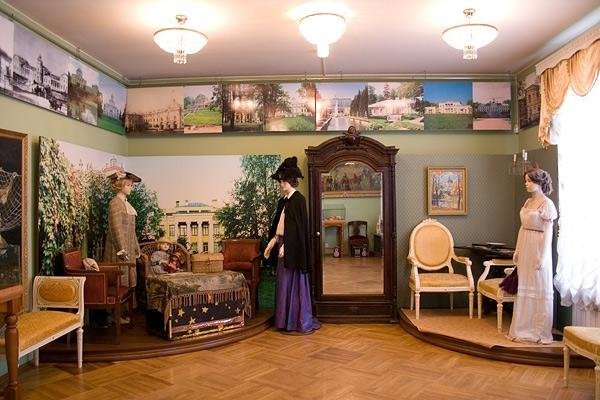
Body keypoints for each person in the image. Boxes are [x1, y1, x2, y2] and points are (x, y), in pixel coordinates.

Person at [264, 156, 321, 334]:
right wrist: (273, 242)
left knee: (293, 283)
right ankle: (283, 321)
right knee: (283, 284)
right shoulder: (283, 201)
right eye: (280, 181)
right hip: (282, 245)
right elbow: (279, 225)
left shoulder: (299, 200)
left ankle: (296, 320)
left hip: (293, 249)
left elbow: (299, 230)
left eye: (283, 181)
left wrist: (287, 246)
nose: (281, 184)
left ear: (291, 180)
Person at [507, 167, 557, 344]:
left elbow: (548, 233)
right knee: (525, 286)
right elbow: (523, 228)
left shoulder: (547, 204)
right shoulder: (528, 202)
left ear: (539, 182)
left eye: (529, 181)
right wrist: (517, 250)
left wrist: (542, 257)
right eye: (526, 181)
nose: (526, 184)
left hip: (538, 247)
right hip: (525, 246)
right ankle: (522, 329)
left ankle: (538, 332)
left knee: (538, 287)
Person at [104, 171, 141, 291]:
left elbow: (132, 230)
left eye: (131, 185)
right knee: (120, 279)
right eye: (128, 185)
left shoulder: (126, 204)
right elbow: (115, 227)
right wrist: (121, 249)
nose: (131, 188)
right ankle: (118, 303)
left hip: (128, 246)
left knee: (128, 279)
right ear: (120, 185)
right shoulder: (115, 203)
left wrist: (135, 246)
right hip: (118, 248)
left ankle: (129, 301)